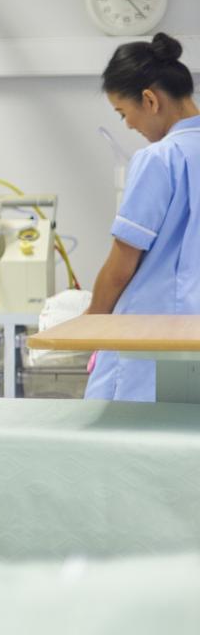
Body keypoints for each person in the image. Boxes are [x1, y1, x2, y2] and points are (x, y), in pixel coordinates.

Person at [85, 33, 199, 402]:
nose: (128, 125)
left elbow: (121, 266)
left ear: (149, 100)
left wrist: (91, 324)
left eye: (123, 113)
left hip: (151, 337)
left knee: (127, 447)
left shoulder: (160, 158)